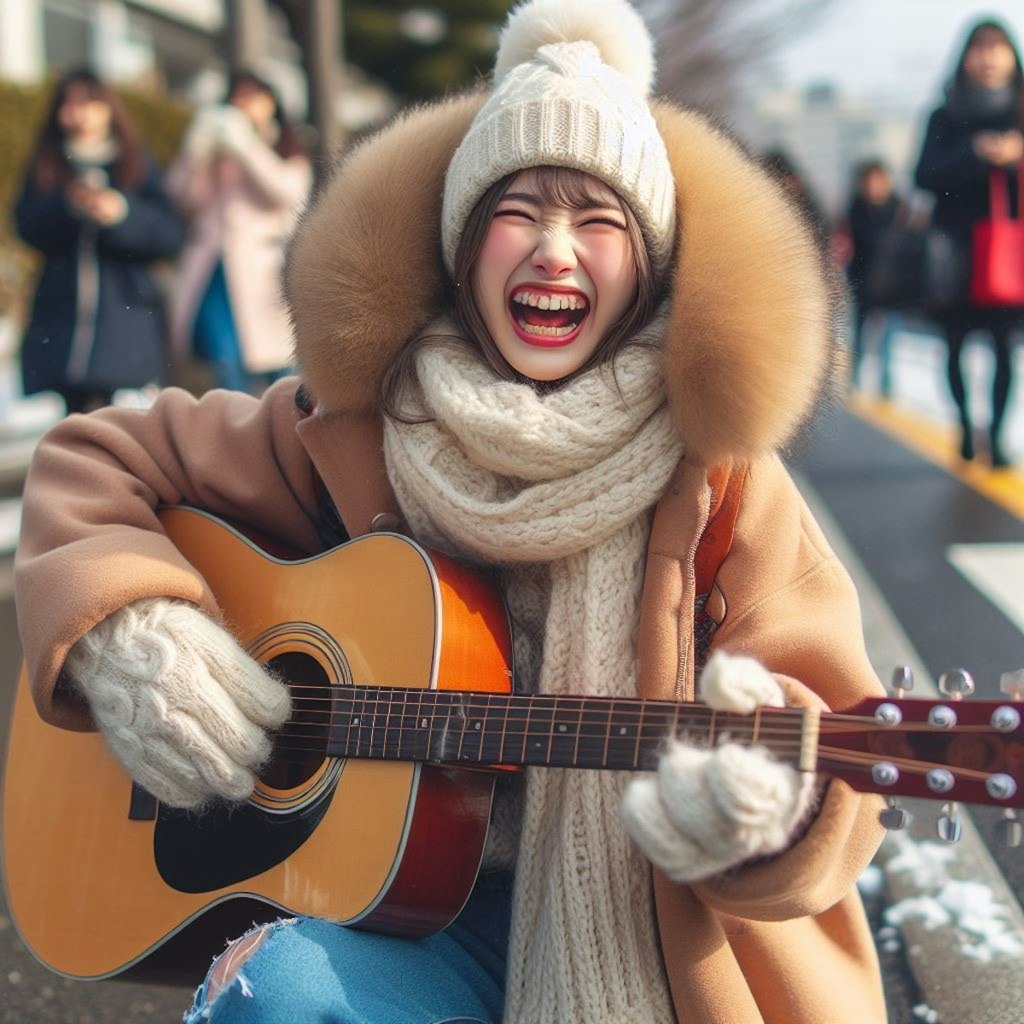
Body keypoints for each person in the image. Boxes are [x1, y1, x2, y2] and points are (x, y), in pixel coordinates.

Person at [15, 2, 888, 1022]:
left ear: (647, 264)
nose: (554, 252)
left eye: (598, 219)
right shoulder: (354, 421)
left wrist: (766, 817)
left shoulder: (723, 476)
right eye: (517, 210)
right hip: (409, 931)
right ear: (462, 243)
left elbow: (841, 763)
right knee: (275, 990)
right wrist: (135, 632)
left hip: (658, 950)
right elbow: (95, 457)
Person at [14, 68, 184, 414]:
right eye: (69, 104)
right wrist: (67, 207)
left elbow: (169, 233)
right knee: (74, 425)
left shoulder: (134, 163)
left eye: (88, 102)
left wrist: (121, 213)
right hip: (62, 315)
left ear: (108, 109)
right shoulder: (48, 164)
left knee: (123, 423)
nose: (78, 113)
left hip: (126, 314)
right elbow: (24, 222)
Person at [914, 18, 1024, 467]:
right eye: (979, 48)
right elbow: (923, 176)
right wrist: (974, 154)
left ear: (1013, 57)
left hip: (1007, 252)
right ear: (964, 57)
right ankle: (963, 422)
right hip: (955, 250)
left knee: (1003, 347)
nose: (988, 57)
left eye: (998, 48)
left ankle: (995, 437)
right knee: (955, 344)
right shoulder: (944, 115)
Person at [166, 70, 312, 394]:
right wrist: (196, 151)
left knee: (283, 368)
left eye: (255, 96)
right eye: (238, 97)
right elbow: (182, 198)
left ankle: (284, 436)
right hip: (214, 271)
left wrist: (247, 147)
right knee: (225, 364)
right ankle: (236, 436)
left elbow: (288, 193)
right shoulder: (216, 151)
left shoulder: (286, 148)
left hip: (267, 273)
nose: (245, 105)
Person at [842, 159, 901, 396]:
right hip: (863, 280)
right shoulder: (856, 208)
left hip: (892, 283)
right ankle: (855, 377)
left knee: (889, 335)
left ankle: (886, 382)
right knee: (859, 333)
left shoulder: (899, 208)